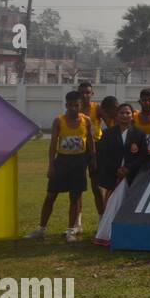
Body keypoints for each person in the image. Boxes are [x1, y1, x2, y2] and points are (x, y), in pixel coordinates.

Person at [27, 91, 94, 244]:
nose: (73, 108)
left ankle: (70, 230)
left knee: (75, 197)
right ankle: (41, 229)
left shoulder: (86, 121)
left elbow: (90, 141)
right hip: (62, 161)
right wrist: (51, 165)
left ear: (81, 105)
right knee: (50, 196)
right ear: (66, 105)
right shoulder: (59, 121)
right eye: (70, 105)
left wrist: (93, 159)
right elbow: (53, 144)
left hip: (79, 162)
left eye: (76, 105)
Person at [95, 103, 149, 204]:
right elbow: (103, 155)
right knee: (110, 205)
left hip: (132, 176)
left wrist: (127, 169)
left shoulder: (139, 134)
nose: (124, 115)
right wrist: (117, 169)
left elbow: (142, 155)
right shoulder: (107, 133)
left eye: (127, 113)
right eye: (122, 113)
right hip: (112, 176)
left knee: (130, 204)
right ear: (117, 115)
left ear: (132, 115)